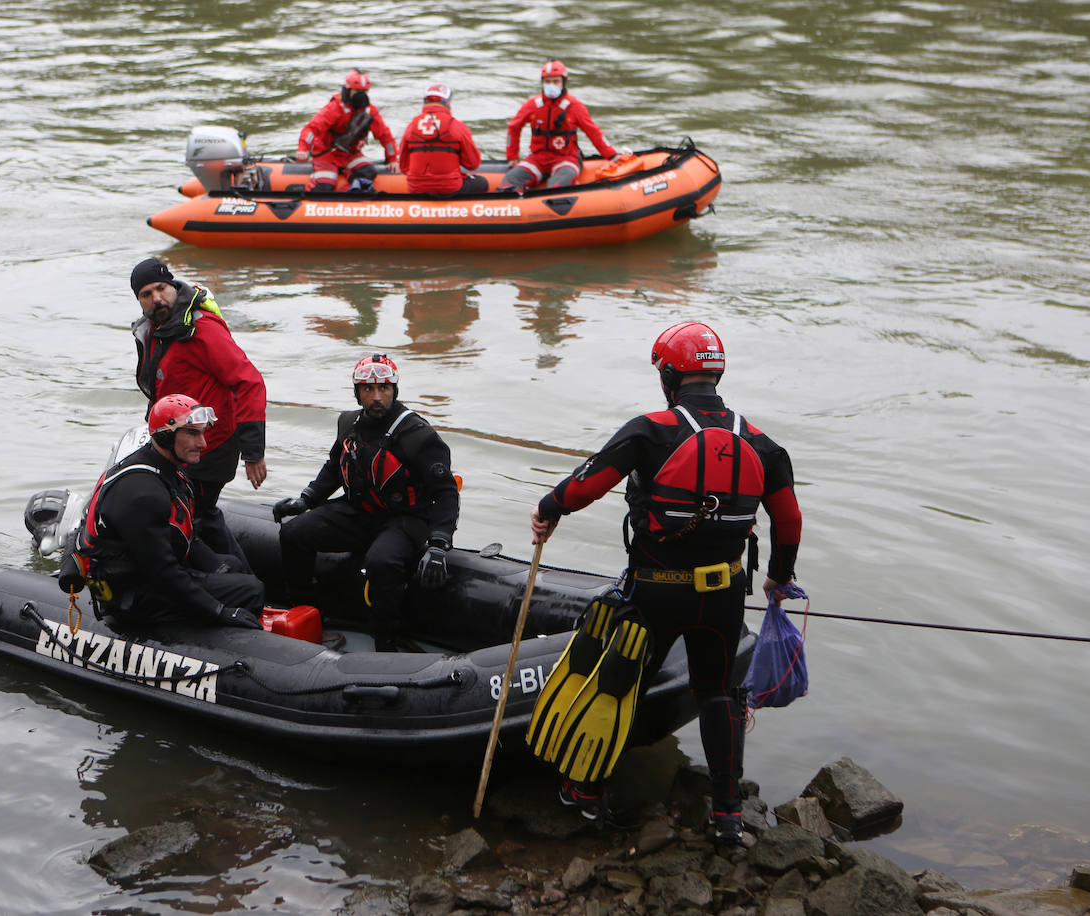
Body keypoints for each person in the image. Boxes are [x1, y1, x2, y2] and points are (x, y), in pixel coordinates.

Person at [528, 322, 803, 840]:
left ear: (671, 376)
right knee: (719, 693)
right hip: (722, 595)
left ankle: (585, 791)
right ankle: (727, 815)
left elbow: (587, 485)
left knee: (621, 686)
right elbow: (789, 521)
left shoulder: (650, 430)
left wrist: (548, 508)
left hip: (654, 592)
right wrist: (779, 577)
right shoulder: (762, 443)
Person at [272, 354, 460, 651]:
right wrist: (306, 499)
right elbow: (335, 467)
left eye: (383, 389)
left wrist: (439, 543)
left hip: (406, 519)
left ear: (394, 390)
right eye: (368, 389)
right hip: (360, 512)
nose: (376, 396)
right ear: (357, 392)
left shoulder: (418, 436)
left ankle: (387, 641)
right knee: (294, 533)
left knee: (381, 561)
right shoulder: (349, 423)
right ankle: (308, 614)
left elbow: (446, 493)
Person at [59, 394, 266, 631]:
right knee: (252, 591)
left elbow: (186, 537)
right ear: (166, 436)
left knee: (232, 566)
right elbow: (163, 573)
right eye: (192, 434)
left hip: (150, 574)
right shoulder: (142, 495)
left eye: (202, 433)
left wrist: (220, 569)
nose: (203, 443)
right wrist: (220, 612)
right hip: (134, 596)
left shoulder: (170, 472)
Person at [130, 257, 267, 563]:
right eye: (146, 294)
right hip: (177, 441)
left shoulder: (200, 329)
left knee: (196, 515)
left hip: (211, 445)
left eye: (161, 289)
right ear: (139, 301)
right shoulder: (158, 329)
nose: (156, 298)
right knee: (196, 513)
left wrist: (253, 452)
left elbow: (250, 383)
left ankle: (239, 582)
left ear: (173, 287)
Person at [501, 60, 623, 193]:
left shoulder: (574, 106)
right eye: (547, 82)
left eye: (555, 81)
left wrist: (612, 155)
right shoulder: (532, 105)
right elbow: (513, 127)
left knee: (558, 186)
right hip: (537, 158)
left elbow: (594, 132)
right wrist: (512, 156)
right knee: (510, 181)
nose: (551, 85)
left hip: (566, 158)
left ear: (563, 82)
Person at [296, 69, 399, 192]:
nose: (361, 95)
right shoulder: (335, 108)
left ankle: (348, 193)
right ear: (348, 90)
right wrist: (303, 148)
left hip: (350, 154)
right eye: (357, 91)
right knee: (325, 185)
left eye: (364, 91)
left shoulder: (369, 111)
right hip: (327, 154)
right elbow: (311, 129)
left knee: (369, 171)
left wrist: (392, 159)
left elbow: (385, 136)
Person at [398, 84, 488, 195]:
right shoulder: (457, 126)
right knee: (482, 183)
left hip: (416, 188)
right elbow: (473, 164)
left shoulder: (411, 127)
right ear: (447, 102)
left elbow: (403, 166)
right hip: (450, 187)